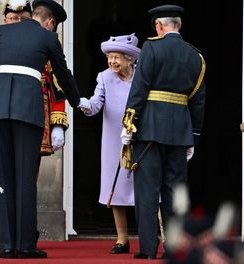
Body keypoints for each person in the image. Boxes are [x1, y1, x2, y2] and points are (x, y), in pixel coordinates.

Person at [0, 0, 83, 258]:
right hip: (27, 110)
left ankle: (6, 245)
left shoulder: (1, 31)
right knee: (25, 178)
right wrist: (77, 101)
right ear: (49, 22)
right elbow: (63, 74)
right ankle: (24, 246)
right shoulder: (47, 38)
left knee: (1, 179)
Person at [120, 4, 206, 259]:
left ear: (159, 26)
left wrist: (128, 124)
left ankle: (148, 249)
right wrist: (195, 136)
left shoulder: (152, 47)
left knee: (147, 192)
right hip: (180, 131)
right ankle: (174, 247)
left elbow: (139, 88)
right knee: (175, 193)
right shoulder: (195, 56)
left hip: (149, 130)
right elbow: (198, 99)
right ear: (179, 25)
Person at [78, 33, 141, 254]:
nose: (112, 61)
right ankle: (122, 238)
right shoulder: (104, 77)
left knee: (144, 187)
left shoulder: (142, 77)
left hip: (140, 138)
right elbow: (96, 105)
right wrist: (83, 104)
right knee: (116, 188)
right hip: (114, 138)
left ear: (130, 59)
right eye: (110, 57)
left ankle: (149, 236)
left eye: (117, 57)